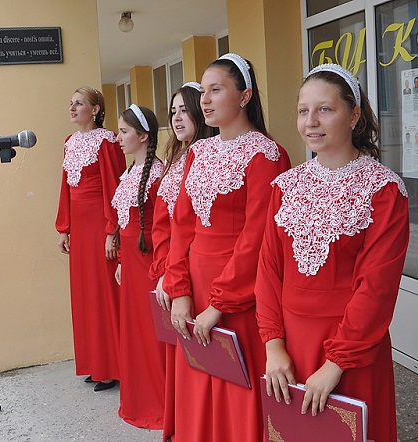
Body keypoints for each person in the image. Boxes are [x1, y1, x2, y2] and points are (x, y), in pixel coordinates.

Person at [255, 63, 409, 442]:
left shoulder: (383, 191)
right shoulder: (285, 186)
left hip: (353, 349)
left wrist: (337, 363)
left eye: (325, 109)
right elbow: (268, 271)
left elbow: (376, 287)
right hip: (288, 348)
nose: (311, 122)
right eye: (303, 110)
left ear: (354, 115)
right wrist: (274, 345)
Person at [163, 53, 292, 442]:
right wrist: (180, 291)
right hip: (196, 282)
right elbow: (181, 226)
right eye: (202, 90)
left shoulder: (267, 155)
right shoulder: (198, 152)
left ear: (244, 95)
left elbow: (258, 239)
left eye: (215, 89)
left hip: (241, 292)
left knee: (237, 386)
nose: (204, 99)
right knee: (199, 373)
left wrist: (218, 304)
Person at [148, 81, 217, 442]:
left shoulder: (211, 157)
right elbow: (164, 224)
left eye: (183, 109)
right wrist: (164, 272)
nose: (176, 117)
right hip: (174, 271)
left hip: (200, 273)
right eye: (171, 110)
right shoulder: (176, 162)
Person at [55, 86, 126, 392]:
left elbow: (115, 186)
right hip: (80, 230)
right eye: (71, 103)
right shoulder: (69, 142)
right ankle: (93, 363)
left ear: (96, 109)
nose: (72, 108)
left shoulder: (107, 141)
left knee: (103, 294)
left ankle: (112, 367)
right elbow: (65, 188)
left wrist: (113, 230)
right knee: (84, 295)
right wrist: (64, 227)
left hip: (99, 224)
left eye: (79, 103)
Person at [111, 104, 166, 429]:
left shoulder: (156, 174)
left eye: (124, 132)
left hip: (148, 262)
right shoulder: (130, 172)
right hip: (130, 263)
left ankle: (159, 404)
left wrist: (161, 270)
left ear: (143, 136)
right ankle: (138, 398)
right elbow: (124, 221)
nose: (118, 138)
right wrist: (120, 261)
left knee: (151, 334)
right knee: (134, 331)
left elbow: (161, 228)